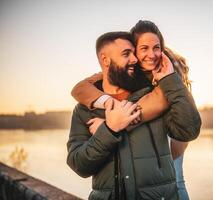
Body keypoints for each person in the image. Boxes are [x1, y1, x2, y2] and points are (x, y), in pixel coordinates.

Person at [67, 31, 201, 200]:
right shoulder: (84, 110)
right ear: (105, 60)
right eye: (126, 53)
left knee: (178, 180)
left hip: (161, 192)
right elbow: (79, 165)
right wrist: (109, 129)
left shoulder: (155, 93)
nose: (135, 59)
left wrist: (170, 78)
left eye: (133, 52)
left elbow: (188, 131)